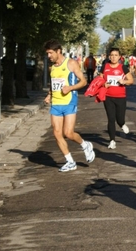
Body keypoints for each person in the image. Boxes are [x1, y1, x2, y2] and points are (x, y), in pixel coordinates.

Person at [43, 39, 95, 172]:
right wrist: (49, 95)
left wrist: (70, 88)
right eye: (47, 54)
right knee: (57, 133)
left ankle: (85, 145)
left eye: (50, 53)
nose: (49, 56)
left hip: (69, 102)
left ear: (58, 51)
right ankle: (70, 162)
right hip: (56, 103)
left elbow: (83, 82)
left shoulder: (71, 63)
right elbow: (53, 83)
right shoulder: (52, 67)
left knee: (68, 133)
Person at [100, 48, 134, 149]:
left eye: (116, 55)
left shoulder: (123, 67)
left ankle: (122, 124)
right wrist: (103, 83)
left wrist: (124, 82)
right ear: (109, 56)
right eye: (112, 55)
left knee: (120, 119)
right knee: (111, 119)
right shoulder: (104, 67)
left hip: (120, 97)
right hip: (108, 97)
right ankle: (112, 141)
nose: (114, 57)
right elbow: (99, 80)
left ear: (119, 57)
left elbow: (131, 80)